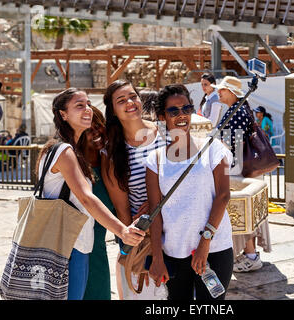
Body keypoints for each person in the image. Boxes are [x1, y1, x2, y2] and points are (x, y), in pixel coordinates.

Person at [35, 88, 145, 300]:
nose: (86, 109)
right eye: (79, 106)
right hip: (65, 248)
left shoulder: (71, 152)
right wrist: (122, 231)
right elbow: (86, 198)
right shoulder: (63, 151)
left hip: (78, 246)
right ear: (63, 115)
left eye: (87, 104)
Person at [146, 84, 234, 300]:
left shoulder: (215, 148)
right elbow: (154, 211)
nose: (182, 115)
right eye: (173, 111)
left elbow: (223, 195)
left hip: (215, 248)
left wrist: (205, 242)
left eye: (186, 109)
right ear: (162, 116)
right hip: (174, 251)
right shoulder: (155, 159)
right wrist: (157, 256)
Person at [101, 80, 168, 300]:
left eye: (133, 96)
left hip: (177, 227)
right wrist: (135, 245)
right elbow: (122, 211)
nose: (130, 102)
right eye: (121, 100)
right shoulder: (111, 153)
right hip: (146, 235)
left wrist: (157, 200)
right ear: (112, 111)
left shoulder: (165, 134)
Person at [212, 76, 271, 273]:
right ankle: (249, 254)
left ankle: (251, 256)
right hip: (242, 168)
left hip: (239, 169)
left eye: (223, 90)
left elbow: (231, 145)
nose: (219, 92)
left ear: (232, 93)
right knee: (246, 214)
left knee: (242, 214)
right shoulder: (238, 109)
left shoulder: (237, 112)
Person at [81, 106, 113, 300]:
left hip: (98, 257)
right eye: (88, 128)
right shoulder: (72, 166)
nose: (96, 131)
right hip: (70, 257)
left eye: (98, 124)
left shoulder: (109, 165)